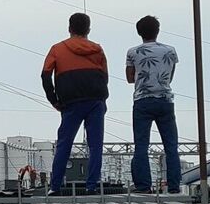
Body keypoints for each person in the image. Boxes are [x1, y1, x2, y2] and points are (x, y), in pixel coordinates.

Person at [41, 12, 110, 192]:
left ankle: (55, 187)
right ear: (88, 29)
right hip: (95, 100)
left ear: (69, 28)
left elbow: (45, 75)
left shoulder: (57, 49)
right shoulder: (98, 49)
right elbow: (105, 76)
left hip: (70, 102)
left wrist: (54, 99)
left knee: (65, 143)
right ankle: (92, 186)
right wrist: (102, 98)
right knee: (95, 145)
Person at [126, 14, 183, 193]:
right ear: (158, 31)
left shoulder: (133, 52)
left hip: (142, 101)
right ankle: (173, 186)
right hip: (165, 100)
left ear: (139, 32)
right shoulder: (170, 51)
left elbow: (129, 78)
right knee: (171, 145)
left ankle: (143, 186)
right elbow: (170, 76)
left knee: (141, 145)